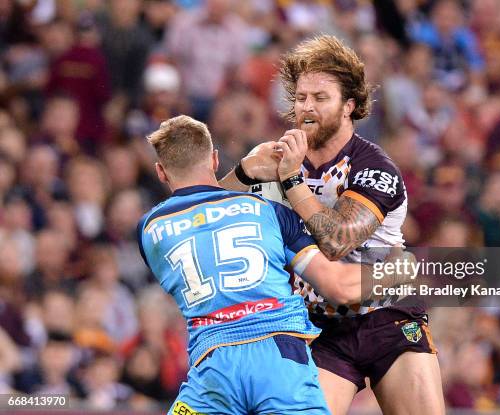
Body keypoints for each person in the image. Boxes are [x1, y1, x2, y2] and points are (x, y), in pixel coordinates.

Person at [221, 35, 444, 415]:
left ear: (349, 106)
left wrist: (291, 181)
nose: (307, 108)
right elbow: (205, 219)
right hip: (319, 327)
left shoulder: (375, 168)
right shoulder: (276, 159)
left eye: (320, 98)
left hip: (387, 316)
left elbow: (336, 240)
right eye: (301, 97)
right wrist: (241, 173)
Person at [137, 115, 408, 415]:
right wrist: (396, 270)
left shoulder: (150, 230)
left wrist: (240, 174)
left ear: (161, 172)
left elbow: (202, 214)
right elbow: (339, 288)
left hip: (213, 369)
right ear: (214, 159)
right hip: (280, 361)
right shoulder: (269, 212)